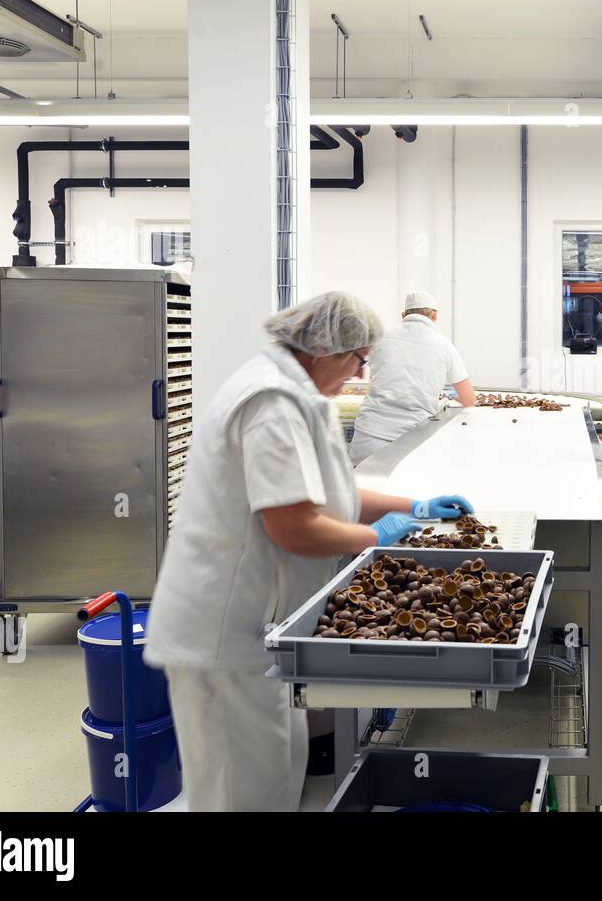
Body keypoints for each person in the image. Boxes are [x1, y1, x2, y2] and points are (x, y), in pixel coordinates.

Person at [143, 291, 474, 811]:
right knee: (241, 793)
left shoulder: (299, 395)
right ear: (328, 351)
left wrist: (418, 506)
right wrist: (378, 537)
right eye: (358, 361)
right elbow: (294, 528)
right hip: (224, 635)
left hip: (262, 631)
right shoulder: (271, 402)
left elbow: (329, 494)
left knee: (278, 771)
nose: (358, 374)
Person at [348, 290, 477, 466]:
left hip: (369, 436)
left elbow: (354, 363)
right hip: (412, 441)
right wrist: (450, 395)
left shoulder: (380, 335)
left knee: (363, 489)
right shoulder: (444, 345)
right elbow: (469, 399)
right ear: (434, 316)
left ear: (403, 315)